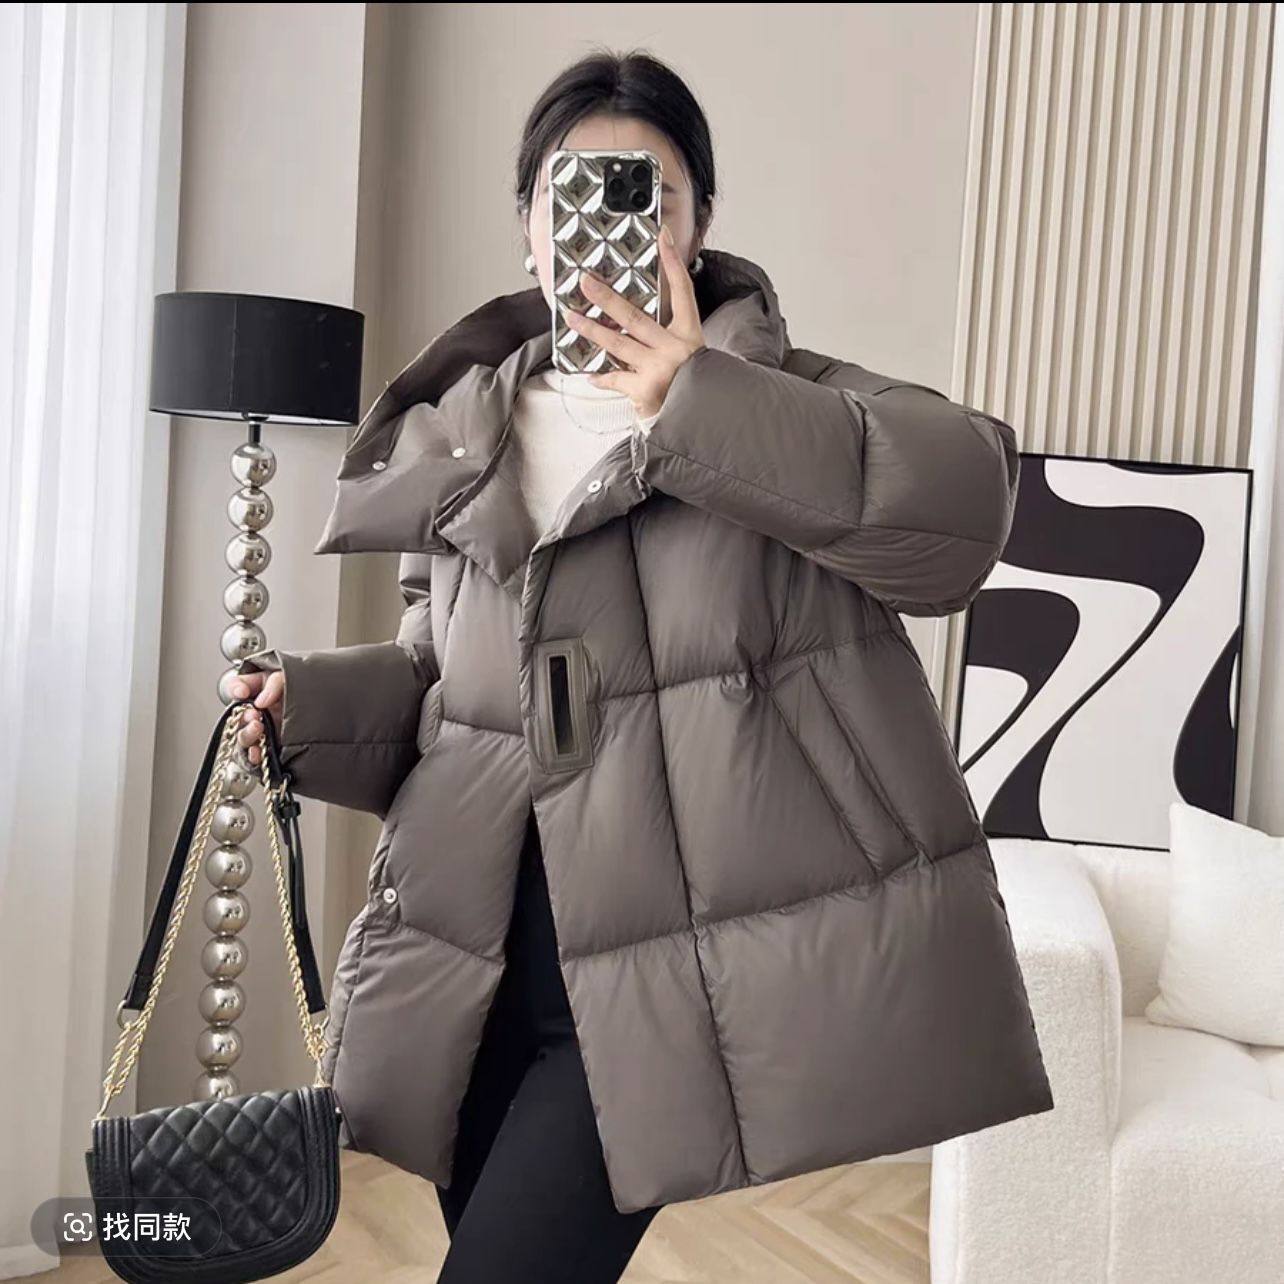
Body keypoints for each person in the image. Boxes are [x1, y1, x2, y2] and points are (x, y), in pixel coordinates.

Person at [231, 47, 1050, 1284]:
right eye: (572, 191)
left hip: (647, 982)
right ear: (528, 228)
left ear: (698, 224)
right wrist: (312, 707)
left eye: (647, 192)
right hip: (474, 958)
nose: (609, 222)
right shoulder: (465, 435)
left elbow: (964, 508)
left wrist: (698, 403)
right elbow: (445, 694)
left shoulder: (777, 404)